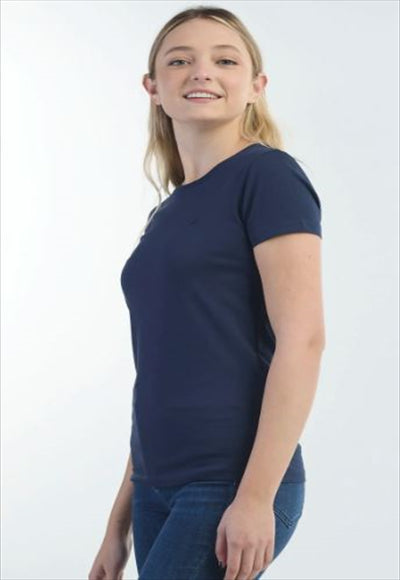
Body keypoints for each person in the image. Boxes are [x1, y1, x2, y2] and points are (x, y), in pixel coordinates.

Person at [88, 5, 325, 580]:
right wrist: (118, 526)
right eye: (179, 61)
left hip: (229, 483)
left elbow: (304, 341)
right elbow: (160, 373)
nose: (202, 72)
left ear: (256, 86)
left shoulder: (268, 177)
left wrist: (256, 497)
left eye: (224, 61)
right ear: (153, 88)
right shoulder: (166, 214)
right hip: (155, 486)